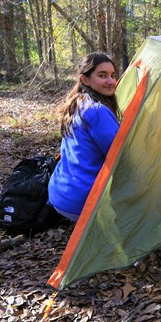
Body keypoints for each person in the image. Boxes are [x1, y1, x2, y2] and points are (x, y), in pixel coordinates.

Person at [48, 52, 122, 222]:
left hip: (59, 195)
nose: (111, 81)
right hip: (81, 204)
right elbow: (121, 158)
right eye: (102, 75)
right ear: (85, 79)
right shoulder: (97, 111)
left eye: (113, 75)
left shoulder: (77, 103)